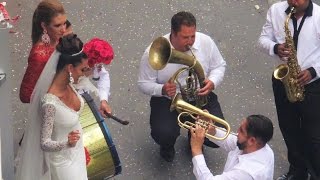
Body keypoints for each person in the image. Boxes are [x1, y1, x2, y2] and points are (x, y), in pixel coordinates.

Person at [138, 11, 226, 162]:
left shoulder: (205, 42)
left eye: (193, 36)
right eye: (185, 37)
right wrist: (162, 89)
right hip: (168, 98)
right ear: (173, 33)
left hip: (200, 95)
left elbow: (219, 66)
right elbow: (143, 84)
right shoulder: (154, 52)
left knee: (217, 135)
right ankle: (167, 145)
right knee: (163, 133)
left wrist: (212, 82)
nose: (191, 41)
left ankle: (195, 138)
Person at [258, 0, 320, 179]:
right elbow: (262, 40)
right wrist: (275, 47)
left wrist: (313, 71)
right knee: (289, 128)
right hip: (284, 80)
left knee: (314, 136)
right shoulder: (276, 10)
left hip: (312, 83)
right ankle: (298, 171)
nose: (293, 1)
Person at [16, 34, 89, 179]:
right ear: (69, 68)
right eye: (82, 70)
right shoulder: (50, 103)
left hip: (77, 151)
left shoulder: (70, 85)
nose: (84, 74)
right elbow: (45, 143)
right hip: (64, 164)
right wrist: (67, 143)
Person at [19, 0, 112, 114]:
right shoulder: (40, 55)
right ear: (44, 26)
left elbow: (91, 70)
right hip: (58, 112)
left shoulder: (62, 38)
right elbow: (26, 95)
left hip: (74, 103)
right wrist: (60, 95)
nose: (63, 29)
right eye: (58, 25)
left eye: (64, 23)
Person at [191, 114, 274, 180]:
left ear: (252, 141)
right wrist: (213, 131)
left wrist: (196, 149)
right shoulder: (259, 146)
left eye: (241, 130)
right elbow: (230, 141)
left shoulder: (245, 173)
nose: (237, 132)